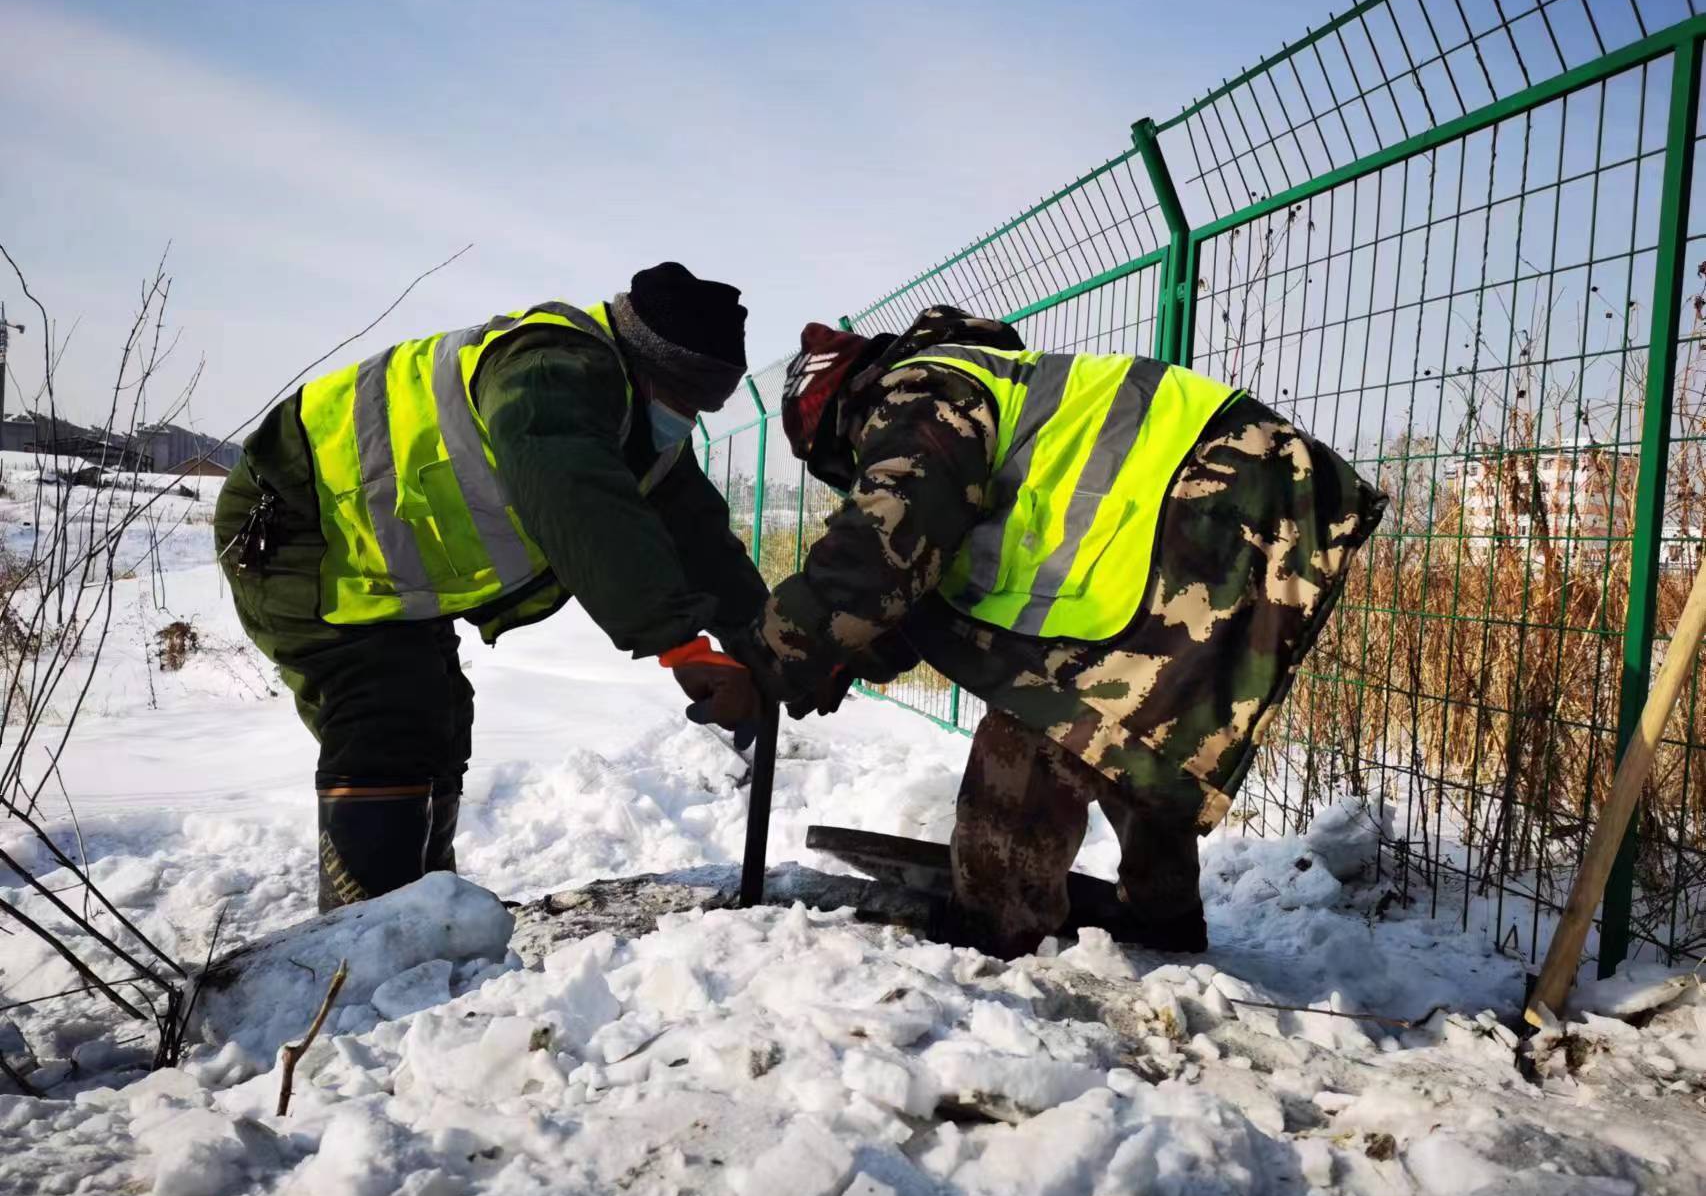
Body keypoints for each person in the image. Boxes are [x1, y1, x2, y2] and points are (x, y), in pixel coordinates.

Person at [726, 307, 1387, 958]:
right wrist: (854, 648)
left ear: (834, 411)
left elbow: (888, 539)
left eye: (839, 466)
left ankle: (993, 939)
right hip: (1250, 497)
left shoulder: (918, 388)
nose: (852, 475)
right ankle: (1162, 916)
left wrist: (773, 650)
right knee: (1136, 720)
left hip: (1215, 500)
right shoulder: (987, 385)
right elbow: (935, 564)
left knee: (1048, 712)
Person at [215, 263, 766, 911]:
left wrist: (765, 644)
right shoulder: (554, 371)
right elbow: (579, 499)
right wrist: (679, 645)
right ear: (649, 368)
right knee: (384, 709)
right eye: (686, 401)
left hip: (376, 559)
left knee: (438, 713)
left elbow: (700, 538)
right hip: (296, 521)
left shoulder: (640, 431)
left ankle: (423, 912)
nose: (689, 422)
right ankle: (367, 932)